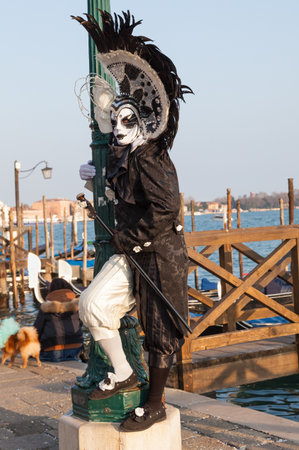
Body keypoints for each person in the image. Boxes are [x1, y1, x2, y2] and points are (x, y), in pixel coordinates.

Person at [73, 10, 192, 431]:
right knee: (93, 305)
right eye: (116, 120)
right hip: (132, 248)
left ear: (143, 122)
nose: (118, 129)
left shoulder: (152, 158)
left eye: (128, 122)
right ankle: (123, 372)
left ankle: (156, 402)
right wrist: (94, 177)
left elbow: (165, 210)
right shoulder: (127, 156)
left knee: (161, 329)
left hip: (159, 255)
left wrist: (131, 238)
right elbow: (120, 198)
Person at [34, 278, 84, 362]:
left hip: (52, 348)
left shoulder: (45, 307)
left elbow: (36, 330)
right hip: (76, 346)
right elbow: (80, 324)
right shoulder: (77, 305)